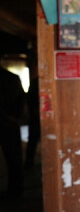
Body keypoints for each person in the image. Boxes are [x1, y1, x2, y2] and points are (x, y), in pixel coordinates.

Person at [0, 66, 25, 198]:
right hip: (11, 123)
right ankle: (16, 189)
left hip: (8, 122)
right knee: (14, 159)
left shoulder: (12, 77)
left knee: (13, 159)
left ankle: (15, 189)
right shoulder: (12, 77)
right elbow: (21, 99)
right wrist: (16, 118)